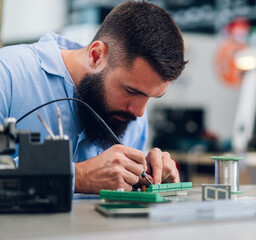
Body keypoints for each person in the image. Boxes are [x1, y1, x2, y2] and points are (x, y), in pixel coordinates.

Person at [0, 1, 187, 194]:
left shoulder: (132, 114)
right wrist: (77, 176)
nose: (139, 113)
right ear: (96, 56)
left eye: (151, 97)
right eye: (131, 91)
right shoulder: (7, 73)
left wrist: (149, 180)